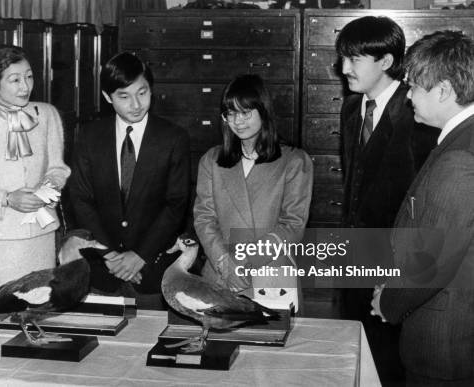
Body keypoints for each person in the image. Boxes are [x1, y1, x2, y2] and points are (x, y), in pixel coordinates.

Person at [335, 16, 438, 382]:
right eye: (343, 57)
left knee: (389, 364)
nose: (344, 68)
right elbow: (354, 186)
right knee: (355, 357)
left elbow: (426, 202)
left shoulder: (417, 113)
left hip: (393, 268)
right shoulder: (351, 108)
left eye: (355, 59)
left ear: (387, 62)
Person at [371, 30, 474, 385]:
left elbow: (434, 260)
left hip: (445, 344)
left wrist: (389, 303)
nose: (408, 96)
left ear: (444, 90)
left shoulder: (459, 156)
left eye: (414, 86)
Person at [69, 52, 190, 308]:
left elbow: (176, 205)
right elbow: (81, 200)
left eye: (142, 93)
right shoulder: (89, 137)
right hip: (102, 271)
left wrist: (139, 256)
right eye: (124, 96)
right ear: (107, 97)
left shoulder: (173, 138)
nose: (135, 104)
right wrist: (111, 257)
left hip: (152, 271)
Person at [193, 74, 312, 306]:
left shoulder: (294, 161)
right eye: (230, 113)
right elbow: (204, 218)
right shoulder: (212, 160)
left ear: (263, 111)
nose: (238, 121)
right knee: (218, 339)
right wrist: (226, 264)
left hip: (270, 272)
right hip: (221, 271)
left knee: (270, 338)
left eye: (245, 112)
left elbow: (293, 224)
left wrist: (247, 261)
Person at [0, 45, 70, 294]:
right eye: (15, 80)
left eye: (29, 77)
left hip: (42, 235)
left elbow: (58, 168)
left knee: (39, 306)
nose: (25, 87)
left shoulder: (47, 114)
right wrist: (8, 198)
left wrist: (46, 191)